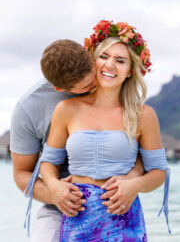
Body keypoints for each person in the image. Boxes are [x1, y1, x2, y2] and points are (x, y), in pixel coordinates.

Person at [27, 20, 170, 241]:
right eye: (104, 57)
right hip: (76, 217)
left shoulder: (144, 115)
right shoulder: (67, 109)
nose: (110, 65)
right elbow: (48, 162)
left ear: (131, 70)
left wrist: (135, 185)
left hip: (123, 218)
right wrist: (55, 186)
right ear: (94, 60)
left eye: (120, 60)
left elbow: (159, 173)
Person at [10, 39, 145, 241]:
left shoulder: (107, 75)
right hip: (60, 207)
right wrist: (55, 193)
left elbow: (139, 151)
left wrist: (131, 181)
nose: (96, 83)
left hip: (113, 204)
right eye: (88, 85)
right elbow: (22, 173)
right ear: (59, 89)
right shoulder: (28, 107)